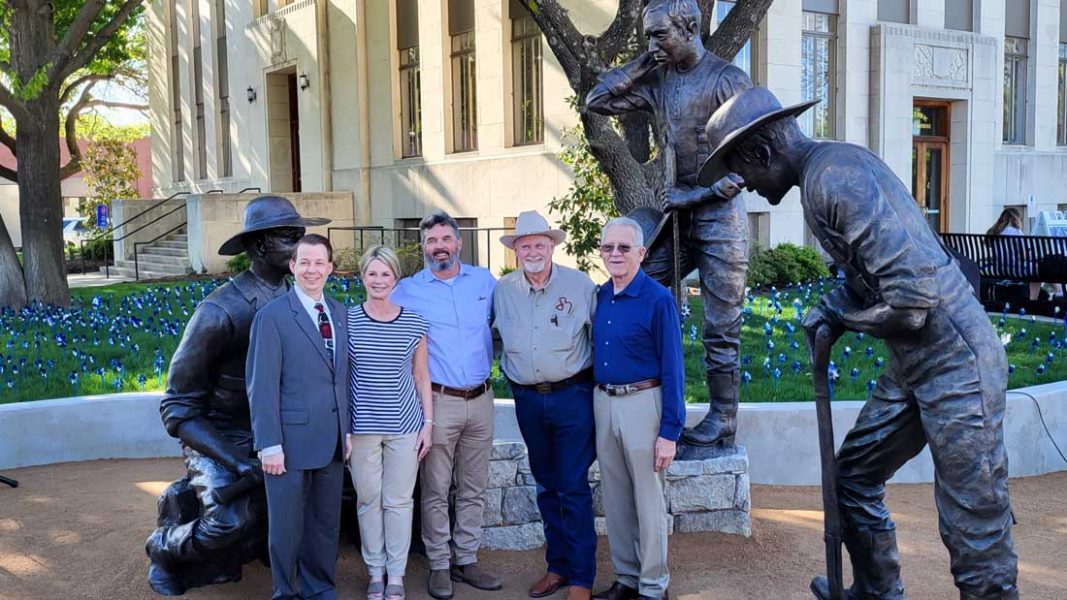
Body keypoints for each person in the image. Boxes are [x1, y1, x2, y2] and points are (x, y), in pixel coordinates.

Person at [697, 85, 1018, 600]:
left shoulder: (835, 180)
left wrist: (843, 315)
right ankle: (876, 593)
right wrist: (833, 306)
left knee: (972, 516)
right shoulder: (823, 175)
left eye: (742, 169)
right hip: (916, 365)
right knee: (851, 478)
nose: (746, 185)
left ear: (762, 151)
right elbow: (872, 277)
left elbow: (913, 305)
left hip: (957, 362)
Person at [586, 0, 750, 456]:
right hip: (674, 216)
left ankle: (722, 419)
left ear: (691, 27)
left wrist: (693, 196)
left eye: (660, 35)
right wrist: (645, 61)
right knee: (636, 294)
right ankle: (640, 398)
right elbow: (596, 100)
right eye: (647, 36)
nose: (652, 44)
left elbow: (747, 169)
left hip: (719, 214)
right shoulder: (659, 77)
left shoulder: (728, 80)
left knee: (721, 326)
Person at [145, 195, 328, 596]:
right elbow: (178, 408)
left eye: (301, 235)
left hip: (282, 432)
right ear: (260, 245)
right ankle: (165, 548)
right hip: (224, 438)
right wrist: (235, 461)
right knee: (227, 522)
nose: (303, 246)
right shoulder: (219, 312)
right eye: (289, 237)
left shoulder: (303, 299)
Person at [390, 210, 501, 599]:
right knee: (435, 488)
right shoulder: (407, 289)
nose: (439, 247)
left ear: (458, 242)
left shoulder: (485, 282)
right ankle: (439, 563)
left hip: (482, 398)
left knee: (473, 485)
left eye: (445, 239)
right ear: (424, 247)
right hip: (438, 402)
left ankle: (466, 559)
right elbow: (382, 323)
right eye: (431, 241)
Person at [492, 211, 598, 600]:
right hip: (527, 401)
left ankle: (582, 579)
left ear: (552, 246)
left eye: (540, 244)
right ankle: (557, 567)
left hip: (573, 397)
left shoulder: (580, 285)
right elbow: (489, 338)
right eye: (525, 245)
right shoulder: (503, 290)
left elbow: (600, 339)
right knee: (546, 486)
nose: (533, 251)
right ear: (516, 251)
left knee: (572, 486)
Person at [247, 234, 351, 600]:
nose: (312, 270)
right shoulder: (272, 317)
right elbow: (261, 386)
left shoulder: (339, 313)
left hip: (333, 441)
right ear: (292, 267)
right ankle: (285, 591)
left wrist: (347, 432)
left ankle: (320, 588)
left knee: (324, 525)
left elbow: (342, 378)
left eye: (319, 262)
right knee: (287, 526)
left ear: (330, 268)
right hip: (287, 445)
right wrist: (268, 443)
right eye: (304, 262)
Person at [590, 217, 685, 600]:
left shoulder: (658, 299)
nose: (615, 254)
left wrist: (669, 432)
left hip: (644, 404)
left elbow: (674, 367)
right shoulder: (600, 296)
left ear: (641, 253)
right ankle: (627, 578)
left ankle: (652, 585)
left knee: (648, 501)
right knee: (615, 500)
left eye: (624, 247)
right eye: (608, 247)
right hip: (604, 403)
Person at [346, 245, 433, 600]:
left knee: (398, 502)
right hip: (362, 427)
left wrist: (428, 423)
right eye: (372, 273)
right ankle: (375, 572)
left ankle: (396, 574)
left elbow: (422, 376)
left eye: (386, 274)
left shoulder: (414, 321)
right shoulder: (347, 319)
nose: (379, 280)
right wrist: (344, 431)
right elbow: (339, 377)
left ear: (396, 279)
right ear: (362, 277)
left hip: (405, 426)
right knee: (368, 500)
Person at [986, 207, 1062, 301]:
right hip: (1018, 270)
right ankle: (1041, 296)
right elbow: (1024, 256)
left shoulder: (995, 233)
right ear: (1016, 218)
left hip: (1001, 269)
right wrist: (1031, 254)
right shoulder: (1016, 232)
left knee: (1038, 268)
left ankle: (1042, 296)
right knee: (1042, 268)